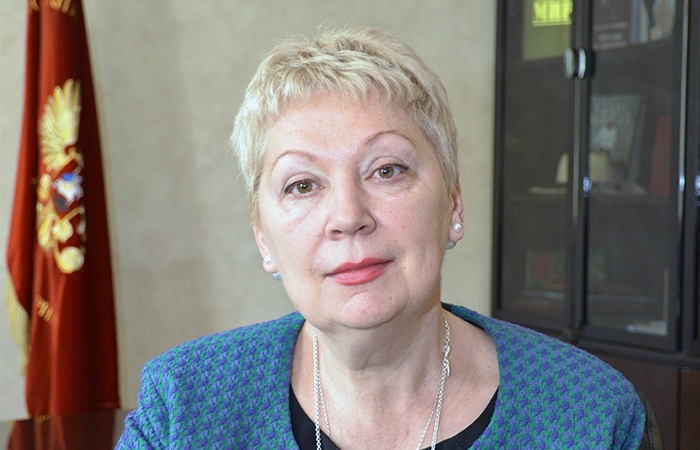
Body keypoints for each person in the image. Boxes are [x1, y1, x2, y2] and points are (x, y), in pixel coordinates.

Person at [116, 26, 645, 449]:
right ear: (263, 240)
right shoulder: (183, 406)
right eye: (302, 184)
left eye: (387, 170)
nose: (348, 216)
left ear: (453, 205)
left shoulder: (592, 414)